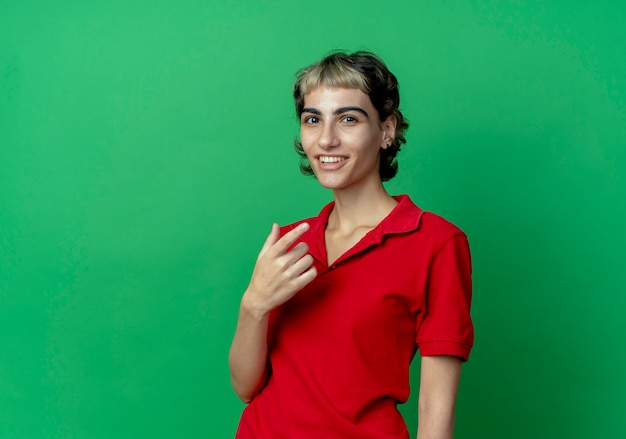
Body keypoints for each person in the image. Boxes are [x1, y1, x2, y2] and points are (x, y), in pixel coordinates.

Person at [229, 51, 474, 439]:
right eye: (313, 119)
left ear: (387, 130)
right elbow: (245, 387)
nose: (326, 139)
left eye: (348, 118)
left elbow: (434, 410)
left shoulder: (436, 243)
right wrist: (253, 305)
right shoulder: (292, 240)